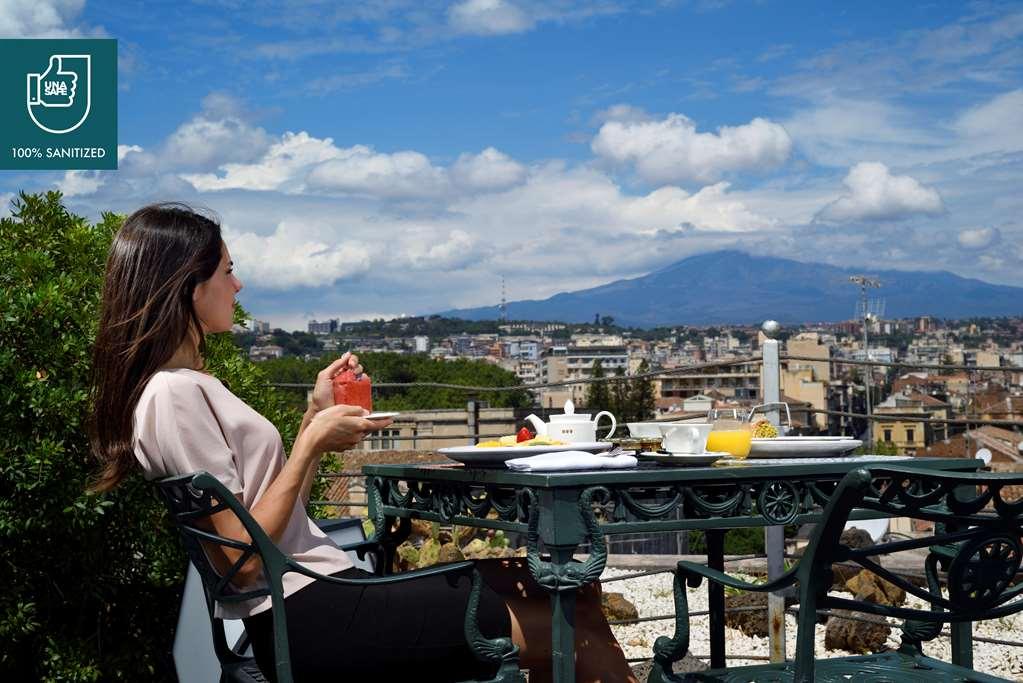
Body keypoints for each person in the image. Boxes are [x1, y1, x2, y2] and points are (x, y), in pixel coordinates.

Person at [88, 203, 637, 683]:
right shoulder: (171, 395)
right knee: (568, 619)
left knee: (555, 586)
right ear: (189, 284)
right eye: (228, 271)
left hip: (316, 595)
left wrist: (312, 421)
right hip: (310, 616)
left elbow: (270, 522)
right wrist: (307, 448)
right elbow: (246, 563)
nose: (239, 285)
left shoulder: (185, 386)